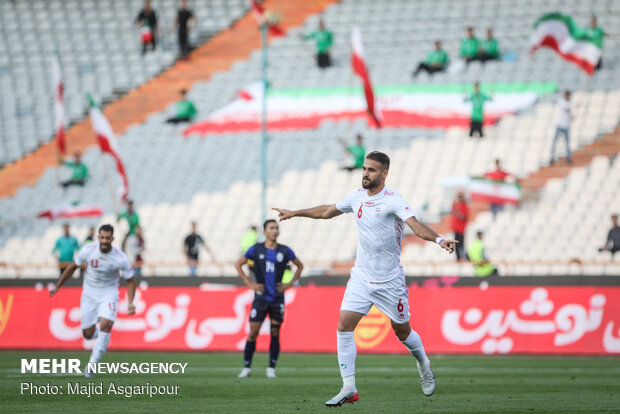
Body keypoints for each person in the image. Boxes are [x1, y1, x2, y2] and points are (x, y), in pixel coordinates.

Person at [273, 151, 457, 406]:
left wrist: (439, 239)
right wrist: (296, 212)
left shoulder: (393, 200)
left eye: (371, 170)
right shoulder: (357, 197)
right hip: (361, 276)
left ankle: (423, 362)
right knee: (344, 325)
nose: (365, 174)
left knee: (402, 332)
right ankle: (349, 387)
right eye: (364, 169)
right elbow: (327, 211)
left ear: (384, 174)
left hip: (389, 281)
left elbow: (414, 224)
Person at [50, 224, 136, 377]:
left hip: (109, 294)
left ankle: (91, 366)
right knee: (87, 334)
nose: (104, 241)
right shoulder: (88, 250)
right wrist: (58, 286)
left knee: (106, 325)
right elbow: (72, 267)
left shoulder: (120, 257)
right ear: (98, 237)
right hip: (89, 295)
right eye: (102, 237)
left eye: (107, 238)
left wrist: (130, 303)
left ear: (112, 239)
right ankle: (100, 336)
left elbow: (130, 280)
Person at [236, 219, 304, 379]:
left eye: (276, 228)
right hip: (260, 298)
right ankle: (247, 367)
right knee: (253, 333)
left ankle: (271, 368)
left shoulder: (285, 250)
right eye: (271, 228)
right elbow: (238, 264)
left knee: (275, 332)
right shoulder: (256, 249)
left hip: (277, 298)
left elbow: (300, 265)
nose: (275, 230)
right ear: (265, 232)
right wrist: (249, 283)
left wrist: (290, 284)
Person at [550, 90, 572, 165]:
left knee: (567, 144)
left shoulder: (570, 103)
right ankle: (552, 157)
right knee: (555, 142)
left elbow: (570, 115)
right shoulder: (562, 102)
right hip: (560, 125)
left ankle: (568, 158)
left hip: (566, 126)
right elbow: (566, 108)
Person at [450, 191, 469, 261]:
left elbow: (464, 217)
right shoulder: (455, 204)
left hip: (461, 230)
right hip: (456, 229)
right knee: (456, 246)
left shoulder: (464, 206)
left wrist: (457, 213)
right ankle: (458, 259)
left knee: (461, 246)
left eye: (460, 196)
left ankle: (462, 258)